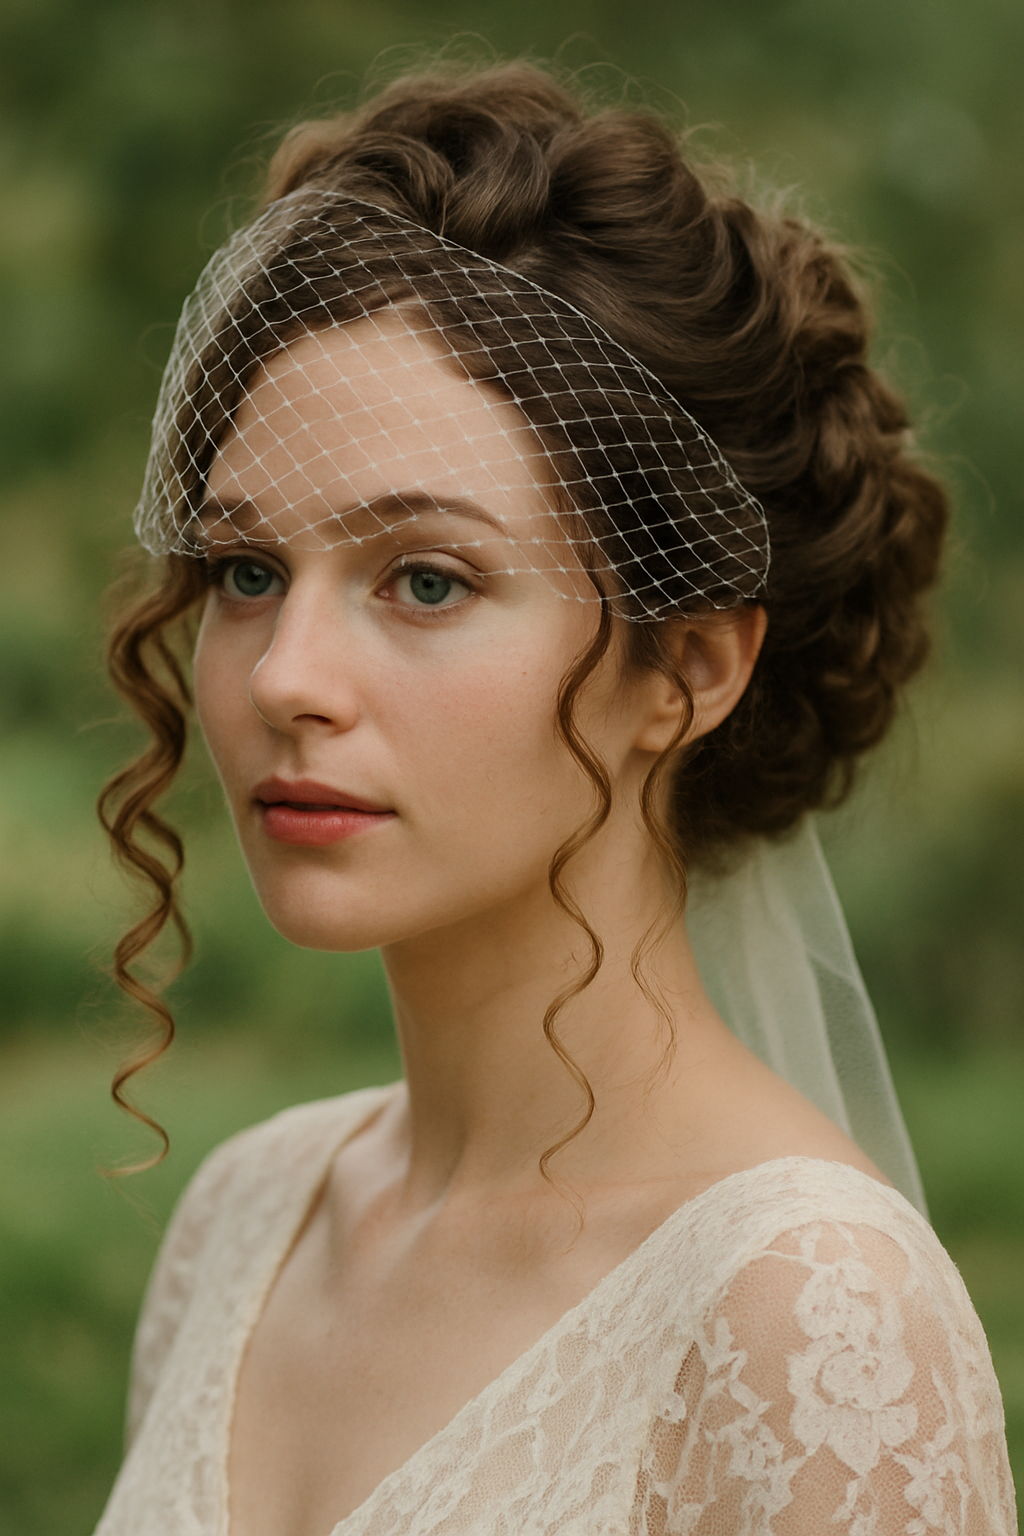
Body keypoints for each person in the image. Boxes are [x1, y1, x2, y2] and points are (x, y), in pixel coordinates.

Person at [93, 60, 1015, 1536]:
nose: (286, 678)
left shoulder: (808, 1310)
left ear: (687, 668)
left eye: (428, 580)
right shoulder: (250, 1216)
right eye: (247, 572)